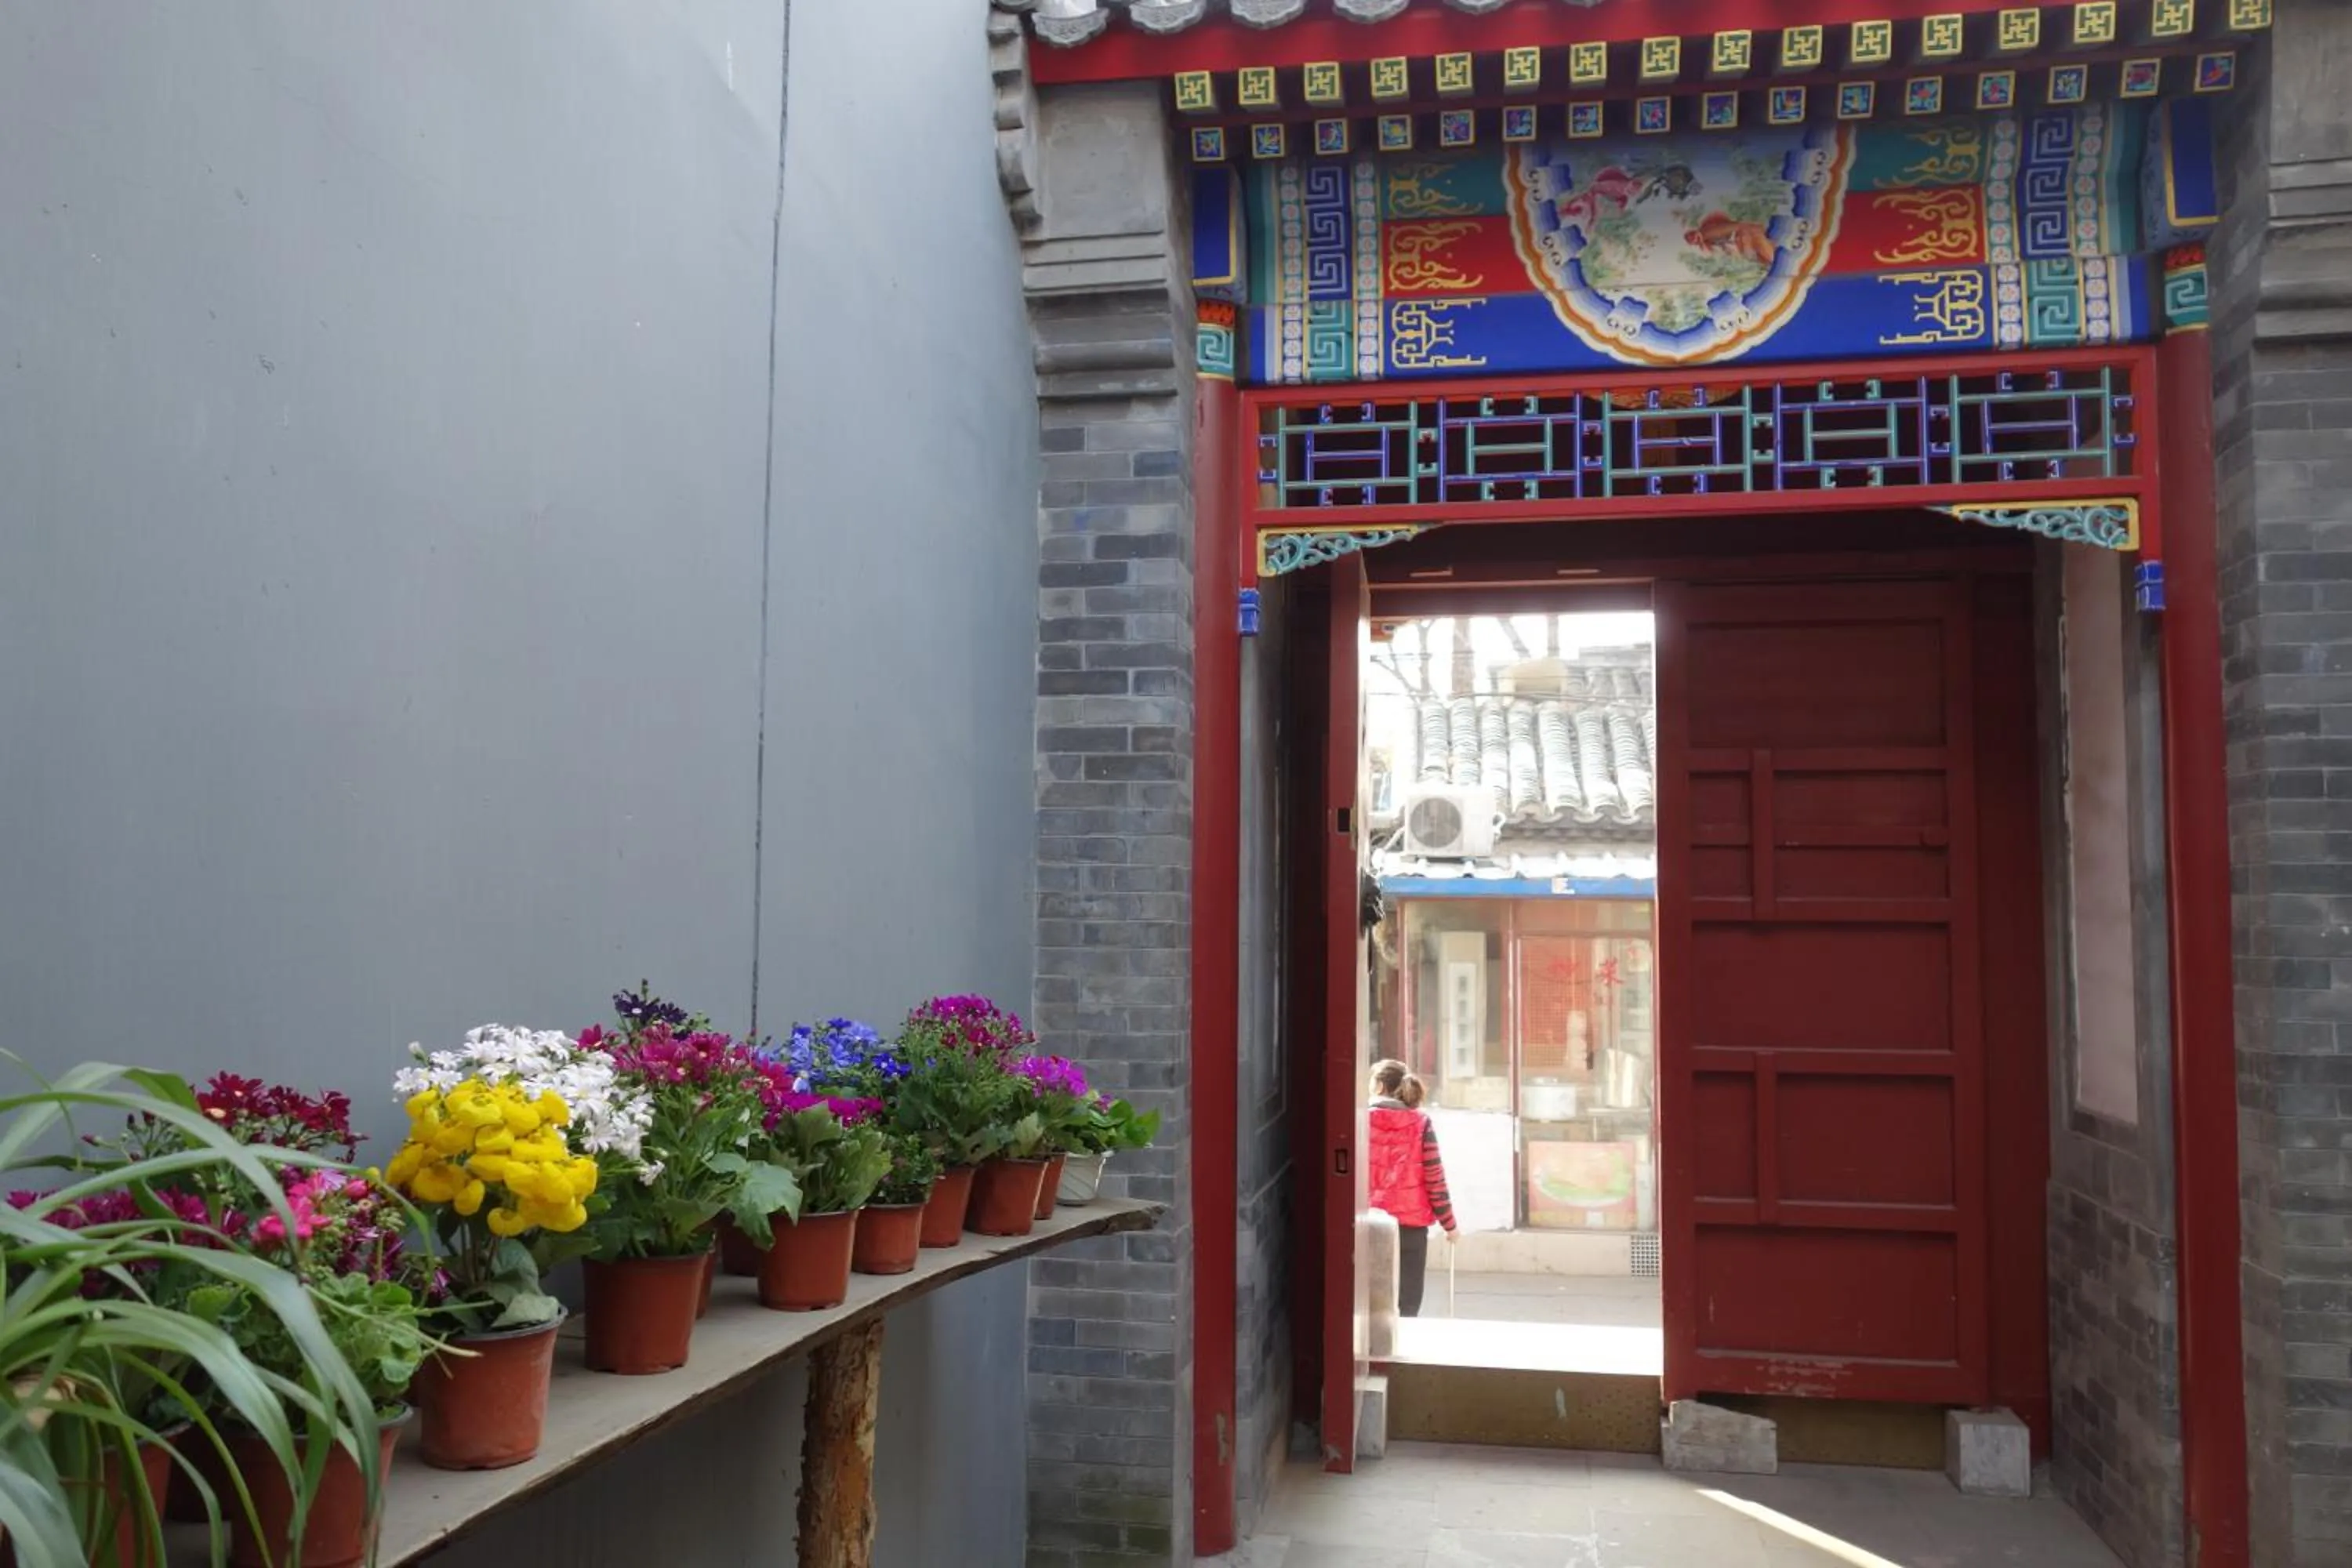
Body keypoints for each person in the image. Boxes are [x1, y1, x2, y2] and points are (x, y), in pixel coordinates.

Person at [1367, 1058, 1455, 1318]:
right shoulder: (1421, 1123)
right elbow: (1434, 1177)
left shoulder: (1361, 1119)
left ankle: (1370, 1355)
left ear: (1380, 1086)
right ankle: (1399, 1354)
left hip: (1369, 1224)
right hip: (1411, 1228)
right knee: (1407, 1305)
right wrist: (1450, 1225)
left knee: (1368, 1302)